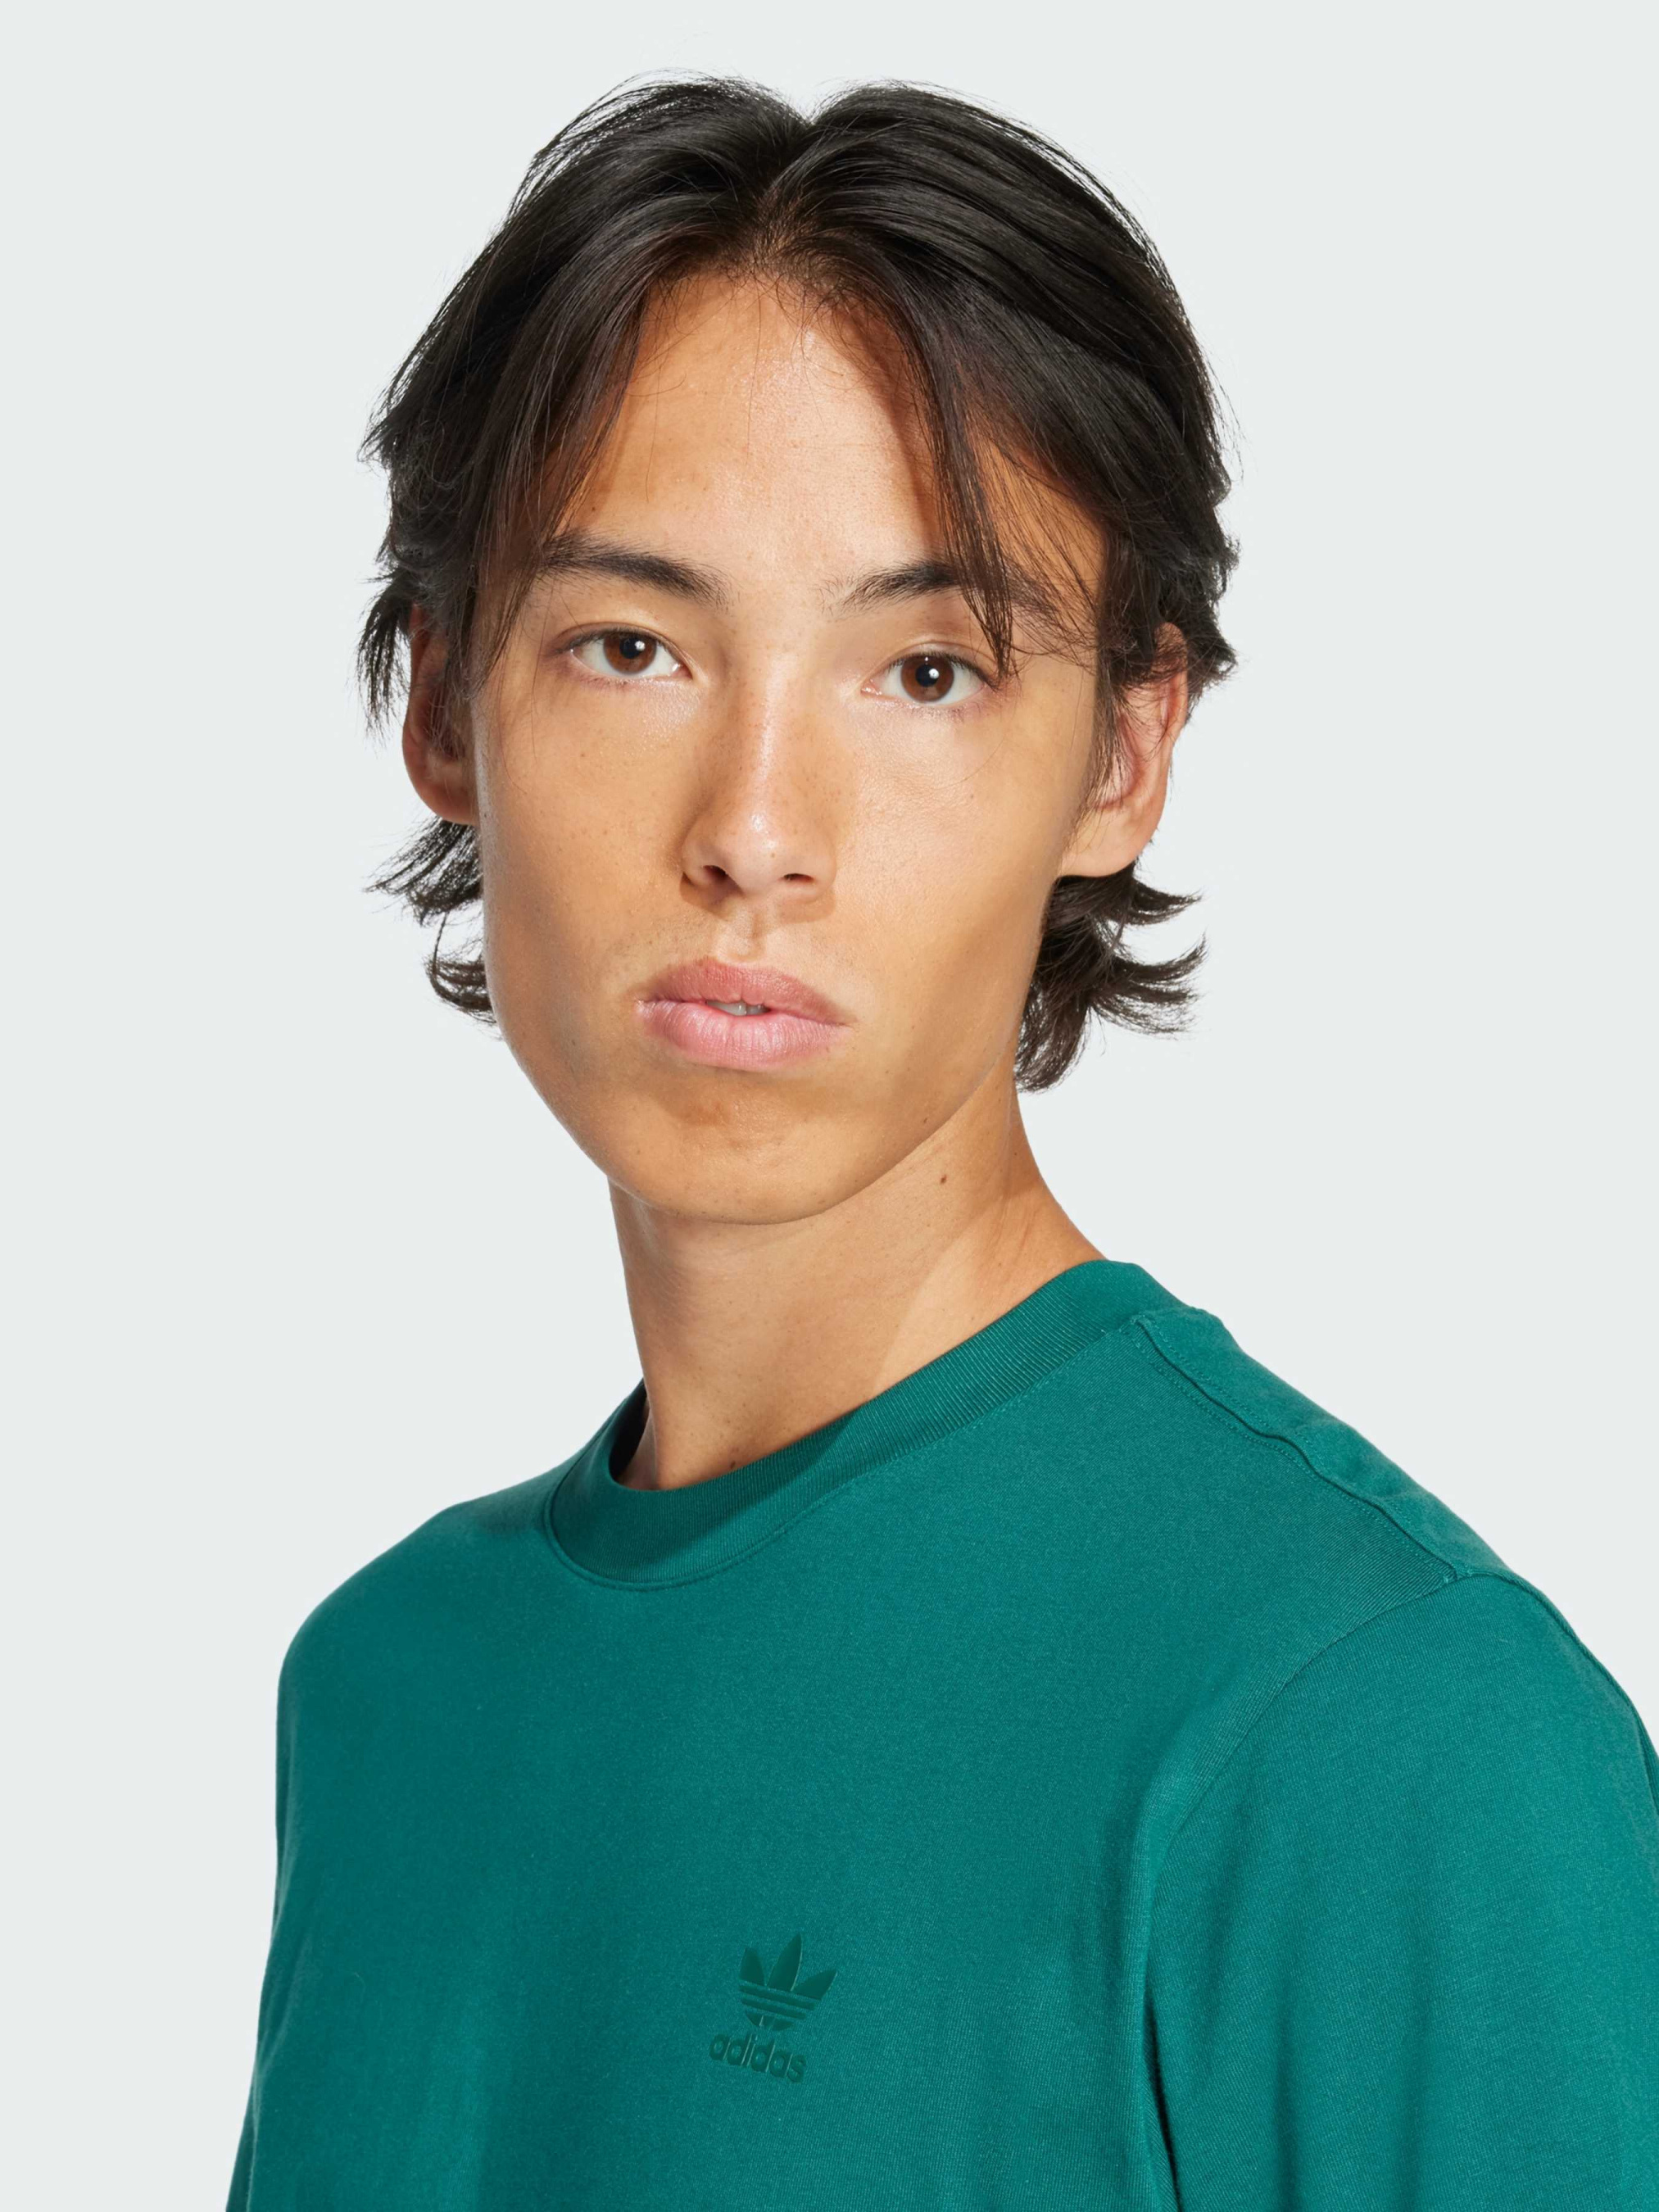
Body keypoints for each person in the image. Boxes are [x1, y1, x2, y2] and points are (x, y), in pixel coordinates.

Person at [226, 75, 1659, 2211]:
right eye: (631, 645)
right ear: (442, 699)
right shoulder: (388, 1692)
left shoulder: (1377, 1727)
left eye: (924, 670)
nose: (753, 829)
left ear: (1122, 756)